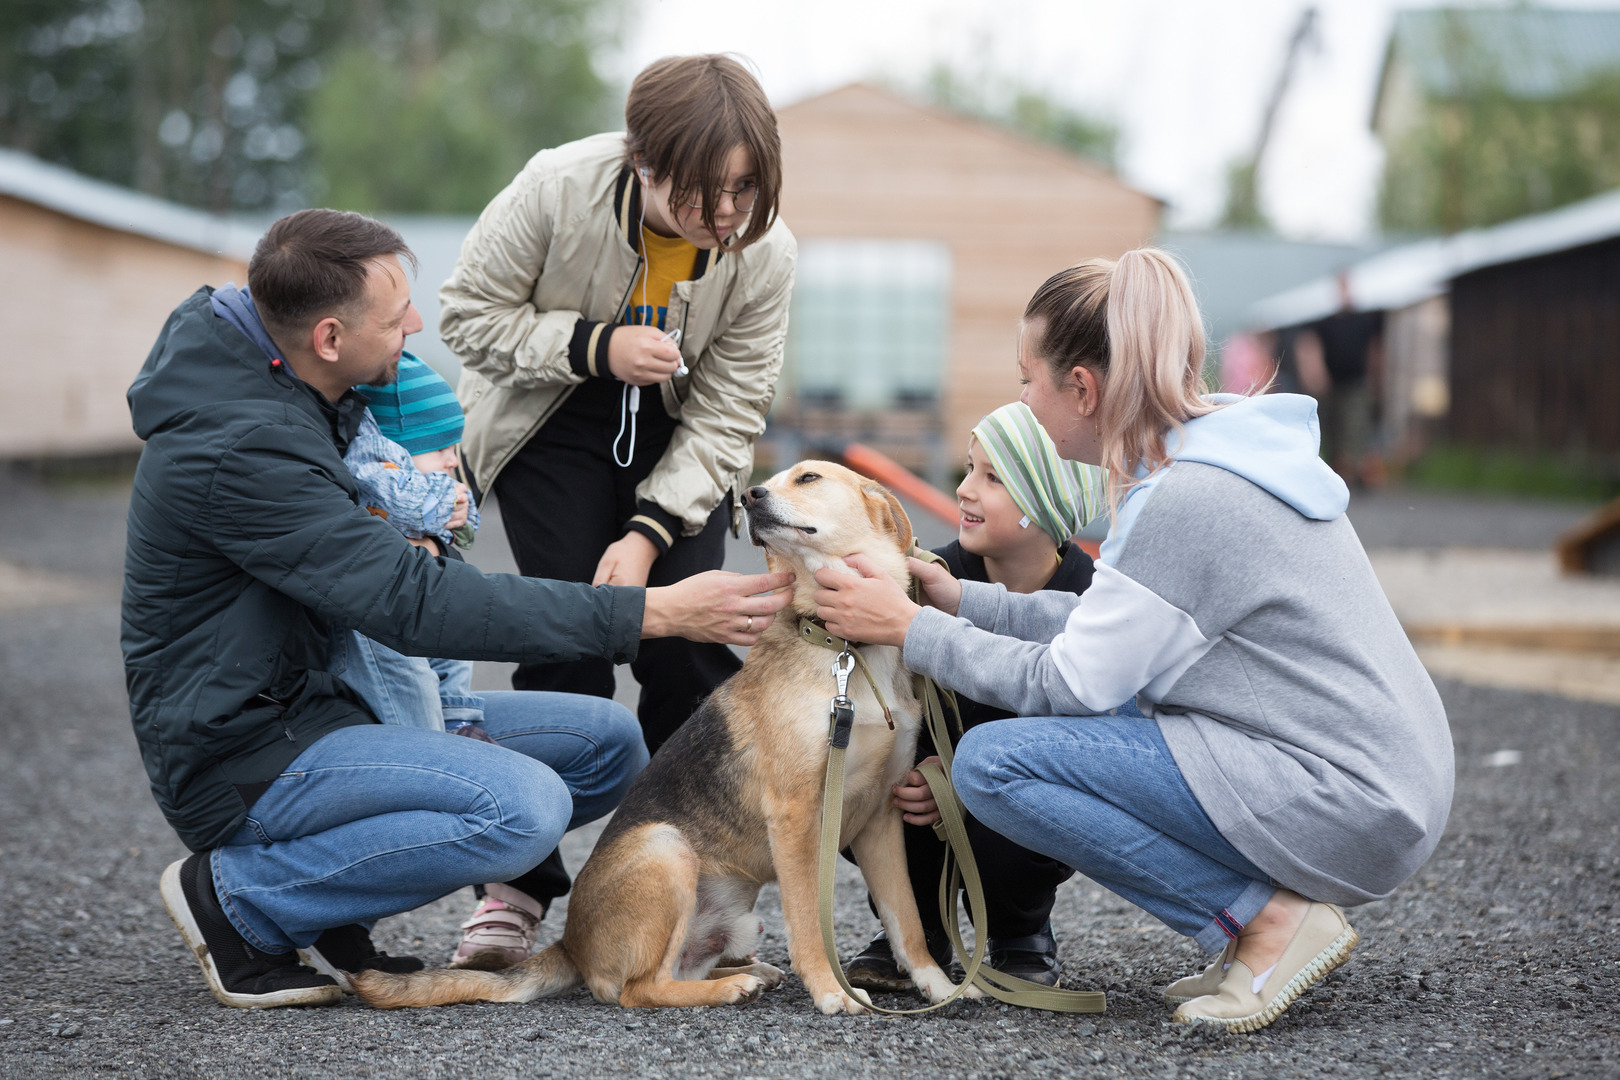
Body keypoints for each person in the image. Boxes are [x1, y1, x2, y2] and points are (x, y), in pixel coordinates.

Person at [125, 208, 793, 1010]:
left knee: (604, 742)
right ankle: (239, 898)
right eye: (395, 313)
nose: (414, 323)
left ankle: (337, 902)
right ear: (330, 338)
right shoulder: (243, 447)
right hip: (248, 749)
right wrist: (651, 612)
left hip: (326, 704)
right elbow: (414, 604)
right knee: (523, 810)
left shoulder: (301, 384)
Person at [810, 249, 1454, 1032]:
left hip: (1343, 799)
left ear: (1080, 387)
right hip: (1371, 779)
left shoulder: (1182, 500)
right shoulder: (1216, 459)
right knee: (1083, 732)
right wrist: (961, 598)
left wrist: (910, 628)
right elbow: (1108, 637)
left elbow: (1078, 684)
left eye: (1027, 379)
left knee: (992, 764)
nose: (1025, 400)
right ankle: (1253, 928)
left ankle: (1268, 922)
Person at [440, 54, 795, 758]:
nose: (726, 213)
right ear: (643, 163)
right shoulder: (555, 189)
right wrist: (597, 348)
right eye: (701, 192)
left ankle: (688, 853)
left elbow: (731, 408)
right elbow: (467, 317)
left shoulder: (767, 254)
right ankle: (527, 863)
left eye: (745, 187)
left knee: (692, 650)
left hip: (680, 432)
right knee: (567, 646)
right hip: (550, 415)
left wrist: (647, 535)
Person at [844, 402, 1108, 993]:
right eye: (968, 468)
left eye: (992, 478)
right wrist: (928, 769)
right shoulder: (932, 574)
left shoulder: (1091, 596)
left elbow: (1079, 719)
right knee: (893, 778)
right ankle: (914, 928)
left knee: (1023, 798)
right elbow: (893, 693)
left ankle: (1019, 932)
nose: (963, 490)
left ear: (1043, 503)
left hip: (1017, 784)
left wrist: (964, 774)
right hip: (929, 772)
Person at [326, 351, 485, 733]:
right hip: (374, 614)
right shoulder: (372, 465)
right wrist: (449, 503)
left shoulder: (423, 479)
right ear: (398, 446)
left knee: (457, 644)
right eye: (441, 448)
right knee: (408, 678)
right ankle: (427, 744)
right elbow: (400, 501)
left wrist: (460, 517)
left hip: (413, 597)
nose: (452, 461)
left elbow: (455, 525)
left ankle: (457, 718)